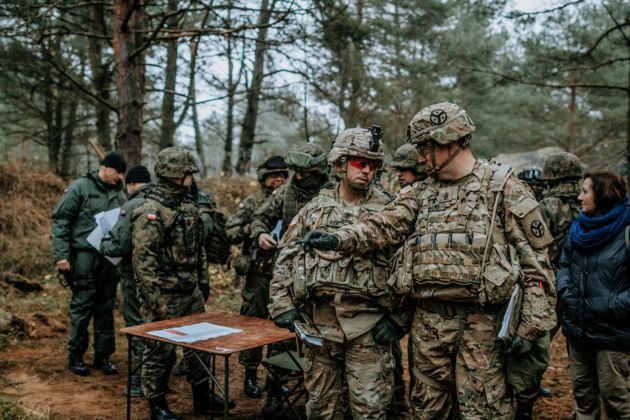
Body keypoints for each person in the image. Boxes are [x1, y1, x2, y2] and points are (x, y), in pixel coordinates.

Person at [301, 102, 557, 419]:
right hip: (428, 326)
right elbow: (382, 226)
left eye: (425, 148)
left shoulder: (503, 188)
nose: (421, 157)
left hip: (482, 328)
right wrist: (339, 239)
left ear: (447, 143)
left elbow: (537, 266)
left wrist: (530, 327)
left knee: (484, 411)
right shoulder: (421, 193)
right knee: (427, 410)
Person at [269, 126, 402, 419]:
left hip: (368, 330)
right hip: (320, 327)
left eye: (373, 164)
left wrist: (398, 318)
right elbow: (286, 257)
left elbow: (407, 266)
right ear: (340, 164)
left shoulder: (390, 210)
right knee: (321, 410)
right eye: (359, 162)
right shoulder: (315, 209)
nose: (367, 170)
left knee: (370, 412)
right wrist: (282, 304)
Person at [131, 147, 233, 420]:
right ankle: (157, 404)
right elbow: (143, 261)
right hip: (163, 293)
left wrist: (202, 283)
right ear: (172, 174)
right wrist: (154, 299)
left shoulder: (188, 206)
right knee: (160, 351)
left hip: (190, 291)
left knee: (201, 346)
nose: (191, 178)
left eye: (191, 173)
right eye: (186, 173)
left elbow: (198, 250)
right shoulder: (151, 211)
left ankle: (203, 397)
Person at [249, 142, 331, 415]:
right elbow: (259, 216)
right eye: (294, 170)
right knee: (283, 334)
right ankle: (274, 392)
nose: (297, 176)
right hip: (289, 275)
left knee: (324, 341)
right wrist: (261, 233)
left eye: (302, 171)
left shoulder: (334, 193)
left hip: (326, 277)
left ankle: (321, 398)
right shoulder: (285, 193)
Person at [557, 169, 630, 420]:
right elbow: (564, 264)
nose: (579, 197)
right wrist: (566, 292)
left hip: (613, 333)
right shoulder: (579, 227)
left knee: (617, 401)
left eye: (585, 191)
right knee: (584, 400)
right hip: (578, 329)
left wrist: (614, 305)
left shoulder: (626, 229)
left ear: (603, 194)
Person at [52, 151, 127, 376]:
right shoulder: (80, 187)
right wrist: (61, 256)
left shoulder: (120, 193)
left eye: (123, 174)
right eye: (117, 172)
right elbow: (61, 221)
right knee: (82, 305)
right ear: (104, 168)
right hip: (83, 255)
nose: (120, 177)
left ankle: (103, 356)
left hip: (109, 257)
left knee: (105, 307)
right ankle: (76, 355)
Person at [225, 155, 288, 398]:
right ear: (263, 178)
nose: (279, 179)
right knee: (253, 325)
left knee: (281, 328)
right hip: (259, 275)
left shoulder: (290, 201)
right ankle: (250, 376)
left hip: (285, 275)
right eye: (274, 176)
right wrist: (253, 230)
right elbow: (230, 231)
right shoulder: (253, 203)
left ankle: (277, 378)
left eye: (283, 175)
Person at [101, 165, 154, 396]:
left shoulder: (131, 205)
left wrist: (103, 243)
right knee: (158, 327)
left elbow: (120, 245)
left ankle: (139, 381)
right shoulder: (166, 202)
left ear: (131, 184)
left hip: (134, 277)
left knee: (137, 326)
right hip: (162, 279)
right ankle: (157, 378)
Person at [389, 142, 428, 414]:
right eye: (398, 169)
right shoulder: (399, 198)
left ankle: (415, 403)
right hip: (398, 285)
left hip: (423, 289)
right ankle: (397, 400)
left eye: (406, 169)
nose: (400, 174)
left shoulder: (426, 199)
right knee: (389, 348)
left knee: (422, 360)